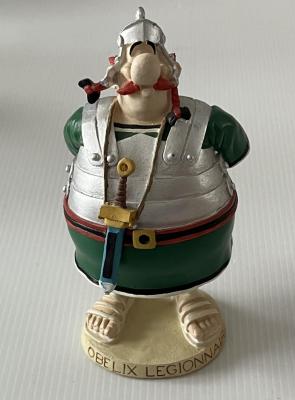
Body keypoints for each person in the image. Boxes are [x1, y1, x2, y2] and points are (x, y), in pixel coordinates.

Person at [63, 7, 249, 348]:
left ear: (170, 65)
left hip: (192, 251)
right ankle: (117, 296)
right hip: (103, 245)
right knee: (114, 274)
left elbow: (236, 147)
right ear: (114, 69)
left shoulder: (210, 125)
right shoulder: (83, 124)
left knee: (188, 272)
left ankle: (187, 294)